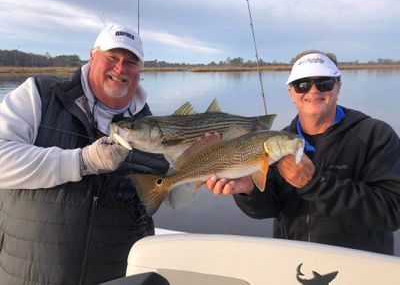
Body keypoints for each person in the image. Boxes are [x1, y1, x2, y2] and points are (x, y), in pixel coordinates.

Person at [0, 24, 169, 284]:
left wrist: (230, 174)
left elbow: (177, 193)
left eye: (131, 62)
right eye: (112, 57)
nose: (120, 68)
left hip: (117, 278)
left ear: (140, 70)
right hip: (27, 275)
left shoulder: (153, 128)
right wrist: (81, 162)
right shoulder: (40, 94)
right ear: (92, 57)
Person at [205, 50, 400, 255]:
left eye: (324, 83)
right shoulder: (274, 142)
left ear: (338, 88)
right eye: (302, 84)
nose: (313, 91)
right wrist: (248, 190)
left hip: (358, 264)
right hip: (295, 261)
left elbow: (392, 212)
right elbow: (267, 209)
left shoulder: (375, 135)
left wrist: (316, 184)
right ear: (291, 93)